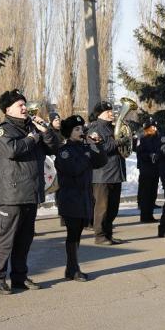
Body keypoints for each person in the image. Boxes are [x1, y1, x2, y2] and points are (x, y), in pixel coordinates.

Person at [0, 89, 61, 295]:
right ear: (7, 109)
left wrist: (45, 131)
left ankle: (19, 277)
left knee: (25, 239)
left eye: (24, 104)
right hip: (12, 194)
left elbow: (54, 148)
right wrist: (31, 138)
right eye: (20, 105)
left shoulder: (33, 128)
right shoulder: (2, 131)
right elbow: (12, 150)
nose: (24, 108)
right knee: (6, 239)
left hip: (31, 192)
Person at [54, 115, 107, 280]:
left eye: (81, 128)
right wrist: (87, 154)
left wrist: (98, 144)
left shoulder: (84, 148)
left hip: (84, 197)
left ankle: (71, 268)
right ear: (69, 132)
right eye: (77, 129)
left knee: (77, 233)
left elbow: (101, 162)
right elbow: (74, 169)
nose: (81, 131)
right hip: (70, 197)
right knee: (73, 233)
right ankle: (73, 268)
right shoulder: (64, 151)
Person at [88, 101, 128, 245]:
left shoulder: (113, 128)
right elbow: (100, 149)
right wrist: (119, 142)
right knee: (102, 208)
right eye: (108, 112)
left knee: (113, 208)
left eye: (111, 111)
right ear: (100, 114)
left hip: (115, 173)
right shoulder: (94, 129)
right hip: (102, 175)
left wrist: (128, 140)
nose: (112, 113)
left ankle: (108, 234)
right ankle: (100, 236)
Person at [136, 116, 160, 223]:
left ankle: (150, 214)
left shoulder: (157, 137)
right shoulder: (142, 138)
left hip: (155, 168)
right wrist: (149, 155)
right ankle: (145, 216)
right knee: (146, 193)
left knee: (152, 193)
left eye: (155, 127)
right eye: (152, 127)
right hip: (146, 168)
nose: (155, 129)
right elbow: (140, 153)